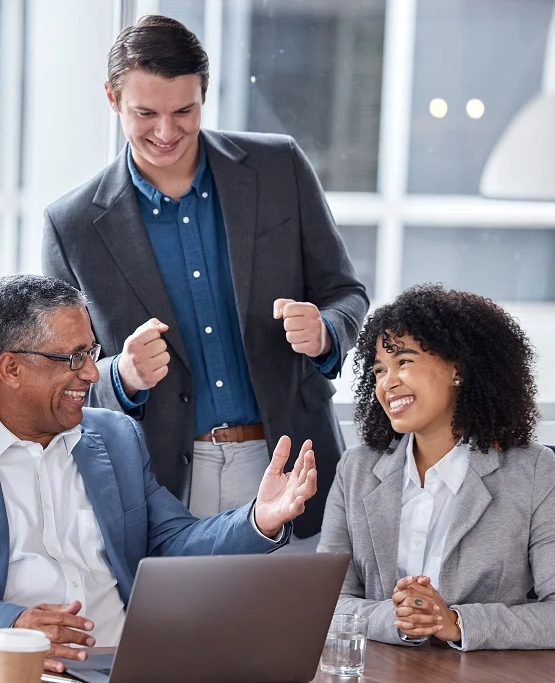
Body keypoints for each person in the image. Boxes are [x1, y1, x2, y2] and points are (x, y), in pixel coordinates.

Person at [0, 274, 318, 674]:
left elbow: (172, 542)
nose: (90, 372)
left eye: (91, 352)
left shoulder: (115, 435)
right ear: (11, 368)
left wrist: (259, 518)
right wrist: (11, 626)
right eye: (72, 358)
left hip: (119, 663)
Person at [42, 15, 367, 539]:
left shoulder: (278, 167)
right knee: (183, 625)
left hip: (293, 462)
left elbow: (345, 293)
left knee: (306, 624)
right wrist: (120, 375)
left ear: (204, 94)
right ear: (112, 98)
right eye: (145, 113)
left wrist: (327, 330)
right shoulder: (72, 226)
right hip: (164, 481)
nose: (166, 132)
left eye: (184, 111)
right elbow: (59, 379)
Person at [317, 284, 555, 651]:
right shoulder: (357, 469)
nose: (387, 383)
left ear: (457, 370)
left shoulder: (531, 471)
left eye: (404, 361)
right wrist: (397, 618)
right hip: (384, 671)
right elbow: (325, 604)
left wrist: (455, 623)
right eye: (379, 369)